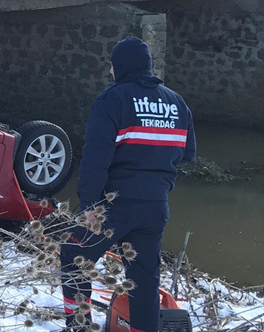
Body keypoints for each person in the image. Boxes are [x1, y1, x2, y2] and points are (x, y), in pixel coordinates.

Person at [60, 36, 196, 331]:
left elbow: (95, 161)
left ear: (120, 66)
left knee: (74, 255)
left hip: (114, 206)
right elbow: (187, 154)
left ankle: (79, 325)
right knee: (144, 281)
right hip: (155, 207)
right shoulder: (177, 103)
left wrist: (88, 208)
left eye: (112, 66)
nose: (110, 72)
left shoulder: (112, 99)